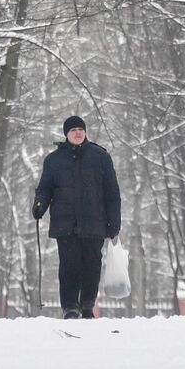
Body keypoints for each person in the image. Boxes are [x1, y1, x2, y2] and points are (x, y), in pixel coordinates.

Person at [32, 115, 121, 319]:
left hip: (95, 222)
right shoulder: (53, 160)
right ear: (66, 134)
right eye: (73, 130)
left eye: (81, 129)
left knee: (92, 265)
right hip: (65, 222)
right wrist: (39, 205)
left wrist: (114, 221)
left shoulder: (101, 157)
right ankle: (70, 307)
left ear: (85, 132)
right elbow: (44, 189)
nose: (78, 132)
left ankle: (87, 305)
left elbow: (112, 192)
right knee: (69, 265)